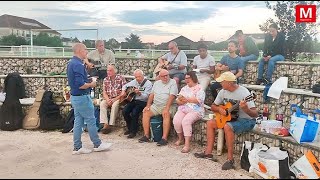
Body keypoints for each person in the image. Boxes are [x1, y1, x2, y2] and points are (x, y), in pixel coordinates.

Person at [194, 71, 258, 170]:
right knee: (210, 123)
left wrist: (246, 109)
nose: (220, 83)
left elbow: (255, 114)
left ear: (229, 82)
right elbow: (213, 106)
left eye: (222, 81)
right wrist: (220, 109)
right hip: (230, 118)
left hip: (246, 120)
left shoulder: (244, 92)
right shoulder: (223, 91)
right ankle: (208, 153)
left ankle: (230, 160)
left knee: (228, 126)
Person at [67, 43, 112, 155]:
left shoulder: (72, 63)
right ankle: (97, 144)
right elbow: (80, 85)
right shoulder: (77, 64)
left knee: (78, 122)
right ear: (79, 51)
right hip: (82, 97)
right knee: (91, 120)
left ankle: (77, 147)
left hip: (75, 97)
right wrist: (91, 84)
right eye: (85, 50)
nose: (87, 52)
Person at [138, 69, 178, 146]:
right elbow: (151, 95)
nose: (166, 77)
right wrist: (148, 105)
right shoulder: (156, 83)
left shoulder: (172, 82)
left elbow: (172, 96)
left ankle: (164, 138)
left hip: (169, 105)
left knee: (166, 114)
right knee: (146, 112)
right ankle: (146, 135)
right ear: (159, 77)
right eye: (164, 76)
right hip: (156, 105)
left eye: (167, 75)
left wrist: (166, 108)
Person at [173, 71, 205, 153]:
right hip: (184, 108)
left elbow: (198, 100)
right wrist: (180, 101)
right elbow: (178, 99)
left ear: (193, 78)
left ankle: (187, 145)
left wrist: (186, 99)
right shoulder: (184, 88)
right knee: (176, 120)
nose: (186, 80)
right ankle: (181, 139)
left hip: (196, 110)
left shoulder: (200, 88)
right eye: (185, 78)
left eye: (188, 78)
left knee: (186, 121)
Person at [121, 69, 153, 138]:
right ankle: (130, 128)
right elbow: (125, 86)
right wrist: (123, 91)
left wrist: (139, 93)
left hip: (143, 102)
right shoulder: (134, 81)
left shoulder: (148, 84)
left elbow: (147, 97)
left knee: (134, 112)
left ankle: (133, 131)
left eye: (139, 77)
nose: (137, 79)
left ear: (142, 76)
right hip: (134, 100)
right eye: (136, 77)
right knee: (125, 111)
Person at [99, 65, 126, 134]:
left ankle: (111, 124)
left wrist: (114, 99)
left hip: (118, 98)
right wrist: (108, 100)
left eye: (110, 70)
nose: (108, 72)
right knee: (102, 104)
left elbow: (123, 93)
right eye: (107, 70)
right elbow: (104, 92)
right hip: (108, 97)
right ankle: (105, 124)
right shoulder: (106, 79)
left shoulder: (121, 78)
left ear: (115, 71)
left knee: (115, 105)